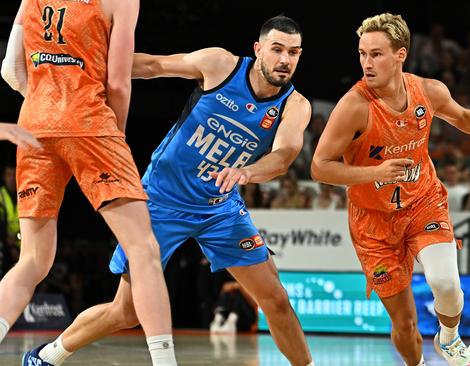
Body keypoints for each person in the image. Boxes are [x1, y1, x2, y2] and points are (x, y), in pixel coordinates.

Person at [23, 15, 314, 366]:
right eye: (278, 49)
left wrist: (247, 172)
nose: (285, 59)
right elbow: (152, 66)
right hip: (161, 200)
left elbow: (283, 156)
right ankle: (46, 356)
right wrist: (87, 62)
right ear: (259, 49)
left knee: (276, 299)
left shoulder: (295, 106)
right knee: (126, 312)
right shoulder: (221, 65)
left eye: (293, 52)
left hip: (219, 207)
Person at [311, 13, 470, 366]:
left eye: (376, 54)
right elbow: (319, 167)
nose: (367, 63)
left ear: (400, 55)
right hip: (373, 222)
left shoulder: (429, 90)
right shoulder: (354, 106)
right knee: (405, 324)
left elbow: (464, 117)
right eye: (362, 54)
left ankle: (450, 339)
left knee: (447, 286)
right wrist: (376, 171)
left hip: (423, 204)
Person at [1, 1, 178, 365]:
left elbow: (10, 69)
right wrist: (116, 134)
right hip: (89, 123)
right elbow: (117, 81)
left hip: (33, 124)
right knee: (143, 250)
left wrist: (45, 103)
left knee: (33, 260)